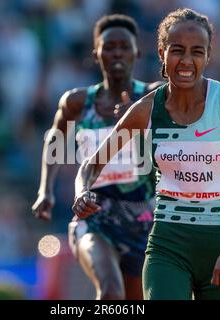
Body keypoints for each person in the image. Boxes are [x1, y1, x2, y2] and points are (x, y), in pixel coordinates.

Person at [73, 8, 220, 300]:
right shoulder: (147, 110)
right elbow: (93, 163)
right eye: (177, 51)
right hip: (168, 243)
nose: (186, 61)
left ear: (208, 56)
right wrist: (82, 191)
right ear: (162, 52)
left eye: (196, 52)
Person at [32, 14, 163, 300]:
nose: (116, 53)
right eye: (109, 47)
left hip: (143, 219)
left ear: (137, 52)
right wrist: (46, 190)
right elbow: (55, 143)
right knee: (111, 292)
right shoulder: (78, 103)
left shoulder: (153, 99)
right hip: (93, 215)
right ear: (96, 54)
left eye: (124, 46)